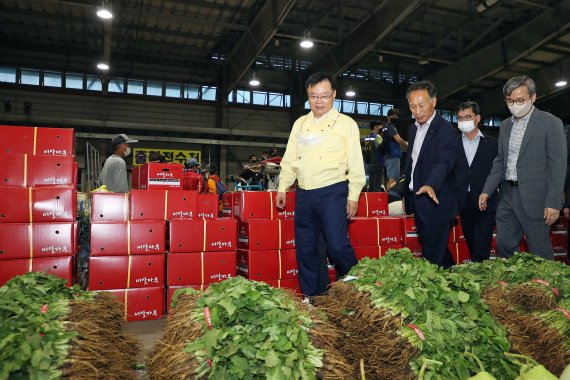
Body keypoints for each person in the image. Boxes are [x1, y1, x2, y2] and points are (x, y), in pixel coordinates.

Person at [275, 72, 365, 298]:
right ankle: (314, 296)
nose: (319, 101)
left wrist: (353, 195)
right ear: (308, 96)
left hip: (333, 191)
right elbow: (289, 159)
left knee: (336, 246)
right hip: (304, 193)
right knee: (307, 248)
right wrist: (282, 187)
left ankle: (359, 289)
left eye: (324, 96)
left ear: (334, 95)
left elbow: (356, 162)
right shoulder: (300, 123)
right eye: (314, 96)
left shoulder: (346, 124)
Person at [479, 75, 567, 259]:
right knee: (504, 244)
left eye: (520, 100)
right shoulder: (505, 126)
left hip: (536, 197)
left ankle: (545, 287)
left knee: (539, 250)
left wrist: (553, 202)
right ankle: (516, 285)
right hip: (507, 194)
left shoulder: (551, 123)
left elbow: (557, 165)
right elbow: (500, 160)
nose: (515, 105)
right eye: (510, 101)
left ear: (533, 97)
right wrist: (486, 190)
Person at [404, 80, 458, 268]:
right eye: (412, 106)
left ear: (433, 102)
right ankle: (453, 280)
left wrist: (431, 184)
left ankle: (439, 288)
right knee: (433, 248)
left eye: (421, 105)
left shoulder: (446, 130)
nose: (417, 111)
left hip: (436, 199)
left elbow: (444, 163)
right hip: (418, 197)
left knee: (434, 252)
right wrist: (407, 190)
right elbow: (412, 162)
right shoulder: (413, 129)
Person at [453, 101, 498, 262]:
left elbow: (498, 171)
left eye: (468, 117)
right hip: (463, 201)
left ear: (477, 118)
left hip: (486, 200)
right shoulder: (453, 144)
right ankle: (478, 269)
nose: (463, 121)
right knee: (471, 239)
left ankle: (481, 273)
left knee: (482, 241)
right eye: (460, 118)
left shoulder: (493, 144)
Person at [384, 110, 408, 189]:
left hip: (387, 156)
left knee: (389, 179)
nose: (395, 118)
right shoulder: (390, 127)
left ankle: (387, 199)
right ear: (388, 117)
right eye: (393, 116)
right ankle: (392, 199)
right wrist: (407, 144)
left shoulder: (385, 127)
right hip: (393, 155)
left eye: (396, 116)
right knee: (393, 179)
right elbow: (398, 139)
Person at [365, 120, 386, 192]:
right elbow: (382, 148)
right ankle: (376, 202)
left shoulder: (367, 137)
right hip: (378, 163)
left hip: (370, 164)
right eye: (379, 127)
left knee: (371, 186)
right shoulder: (377, 137)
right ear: (375, 127)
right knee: (377, 186)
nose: (381, 128)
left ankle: (370, 201)